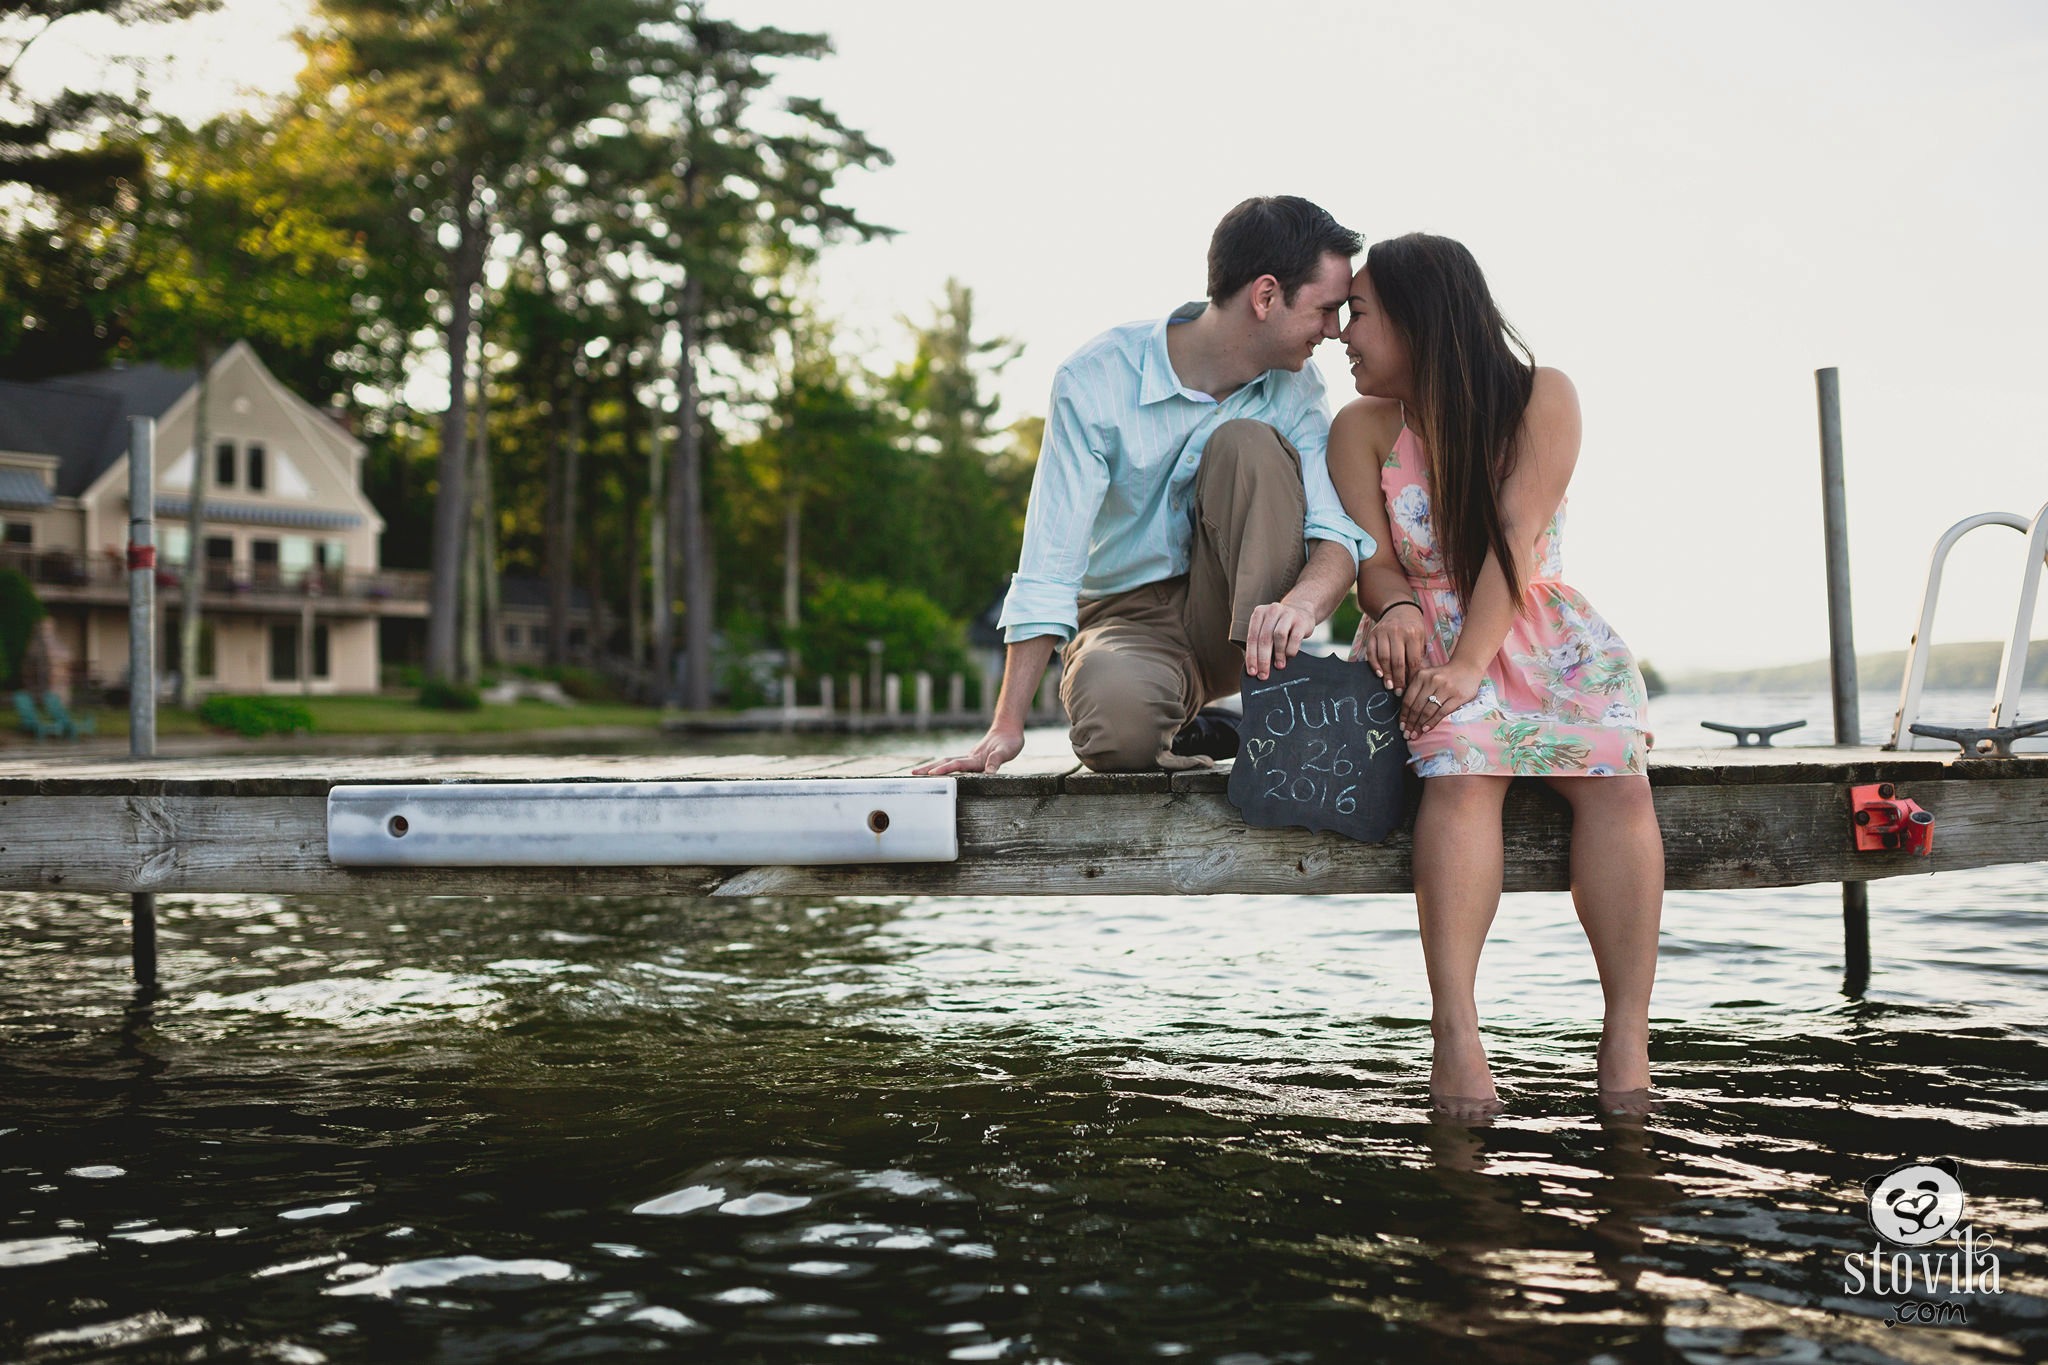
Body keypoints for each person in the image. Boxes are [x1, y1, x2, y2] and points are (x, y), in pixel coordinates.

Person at [1326, 233, 1663, 1113]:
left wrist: (1477, 661)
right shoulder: (1360, 430)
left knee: (1619, 781)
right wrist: (1398, 611)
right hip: (1431, 633)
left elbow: (1513, 539)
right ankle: (1458, 1033)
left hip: (1534, 626)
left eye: (1359, 313)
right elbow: (1373, 563)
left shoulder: (1541, 396)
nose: (1343, 333)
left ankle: (1626, 1032)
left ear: (1419, 316)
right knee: (1464, 771)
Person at [915, 196, 1376, 777]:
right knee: (1117, 739)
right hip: (1125, 619)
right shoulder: (1095, 379)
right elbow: (1050, 562)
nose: (1335, 332)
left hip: (1246, 623)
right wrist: (1007, 725)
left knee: (1247, 445)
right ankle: (1189, 725)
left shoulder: (1298, 390)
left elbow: (1335, 534)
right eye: (1326, 309)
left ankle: (1271, 706)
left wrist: (1300, 607)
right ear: (1265, 296)